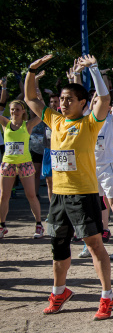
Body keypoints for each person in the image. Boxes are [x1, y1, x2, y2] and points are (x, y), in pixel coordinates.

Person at [24, 54, 113, 320]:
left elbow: (106, 100)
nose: (63, 103)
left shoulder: (90, 123)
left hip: (83, 194)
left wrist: (95, 69)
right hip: (59, 197)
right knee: (58, 246)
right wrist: (32, 70)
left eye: (69, 99)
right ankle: (59, 291)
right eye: (61, 99)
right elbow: (31, 98)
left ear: (82, 103)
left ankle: (107, 296)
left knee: (94, 244)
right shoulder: (55, 120)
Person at [85, 64, 113, 260]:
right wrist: (77, 74)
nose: (96, 103)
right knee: (93, 206)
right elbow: (81, 97)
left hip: (109, 166)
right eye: (93, 101)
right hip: (90, 168)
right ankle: (92, 242)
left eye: (98, 100)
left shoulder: (112, 120)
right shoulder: (87, 120)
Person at [0, 87, 44, 239]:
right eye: (12, 109)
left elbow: (42, 115)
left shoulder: (28, 125)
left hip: (25, 163)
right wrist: (3, 90)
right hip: (8, 163)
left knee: (31, 195)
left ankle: (39, 224)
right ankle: (2, 226)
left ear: (23, 111)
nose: (14, 112)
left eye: (17, 109)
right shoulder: (5, 123)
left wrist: (39, 99)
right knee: (4, 196)